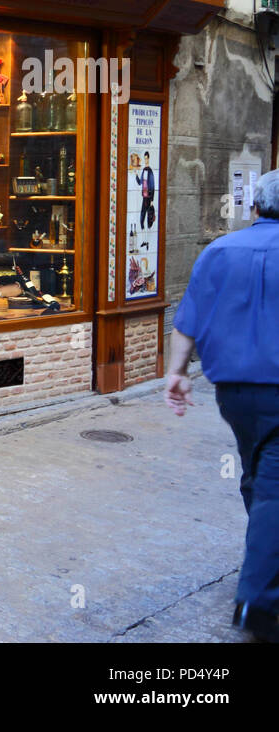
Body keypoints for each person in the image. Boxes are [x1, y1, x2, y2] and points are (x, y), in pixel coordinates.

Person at [165, 169, 279, 642]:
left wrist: (176, 373)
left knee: (258, 473)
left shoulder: (219, 251)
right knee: (273, 485)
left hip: (233, 393)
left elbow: (188, 317)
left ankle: (266, 551)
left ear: (255, 206)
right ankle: (258, 598)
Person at [136, 151, 156, 230]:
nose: (146, 160)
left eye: (147, 158)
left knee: (148, 212)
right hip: (144, 195)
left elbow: (152, 185)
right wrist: (136, 175)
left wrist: (152, 199)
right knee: (143, 211)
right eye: (145, 159)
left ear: (149, 158)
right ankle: (142, 225)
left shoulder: (150, 171)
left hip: (148, 196)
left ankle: (147, 226)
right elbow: (140, 182)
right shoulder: (144, 170)